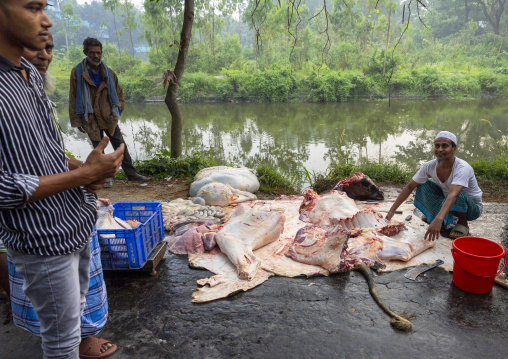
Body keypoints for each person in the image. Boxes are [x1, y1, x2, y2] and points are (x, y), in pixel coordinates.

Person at [0, 1, 124, 358]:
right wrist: (85, 175)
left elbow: (44, 152)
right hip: (43, 241)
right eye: (33, 7)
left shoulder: (26, 73)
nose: (47, 20)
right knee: (61, 342)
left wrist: (87, 173)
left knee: (75, 320)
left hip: (75, 222)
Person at [69, 37, 150, 188]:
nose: (96, 56)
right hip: (90, 117)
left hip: (108, 116)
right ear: (85, 52)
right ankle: (106, 177)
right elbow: (73, 97)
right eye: (92, 53)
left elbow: (119, 95)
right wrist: (77, 120)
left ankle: (131, 174)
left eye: (98, 52)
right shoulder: (78, 72)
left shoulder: (108, 72)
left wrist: (117, 112)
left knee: (120, 145)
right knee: (99, 150)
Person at [386, 131, 483, 241]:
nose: (440, 149)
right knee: (422, 185)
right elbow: (409, 186)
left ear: (454, 149)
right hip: (448, 202)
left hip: (470, 208)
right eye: (437, 146)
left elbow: (453, 195)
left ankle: (462, 222)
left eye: (445, 146)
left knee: (457, 194)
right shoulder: (429, 166)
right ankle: (438, 218)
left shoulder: (462, 168)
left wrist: (438, 219)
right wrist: (392, 210)